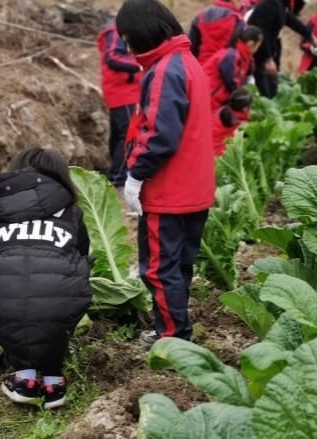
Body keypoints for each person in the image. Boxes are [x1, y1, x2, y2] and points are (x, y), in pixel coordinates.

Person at [116, 0, 216, 349]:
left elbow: (159, 133)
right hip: (195, 188)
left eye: (128, 38)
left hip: (170, 192)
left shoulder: (163, 71)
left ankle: (172, 336)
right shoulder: (189, 63)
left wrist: (135, 174)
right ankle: (175, 325)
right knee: (180, 265)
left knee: (159, 268)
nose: (127, 47)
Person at [0, 147, 93, 409]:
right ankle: (53, 381)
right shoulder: (70, 211)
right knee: (60, 292)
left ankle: (25, 378)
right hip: (59, 300)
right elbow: (83, 252)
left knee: (9, 296)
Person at [97, 20, 143, 188]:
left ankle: (116, 174)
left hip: (119, 90)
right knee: (129, 134)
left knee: (118, 134)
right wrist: (140, 65)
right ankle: (119, 177)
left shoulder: (116, 29)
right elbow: (112, 57)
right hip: (123, 91)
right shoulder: (118, 31)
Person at [248, 0, 311, 98]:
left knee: (273, 89)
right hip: (258, 56)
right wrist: (267, 59)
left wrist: (310, 35)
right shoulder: (270, 4)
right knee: (264, 94)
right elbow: (261, 33)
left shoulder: (281, 4)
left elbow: (289, 19)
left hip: (269, 52)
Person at [203, 25, 262, 110]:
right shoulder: (231, 56)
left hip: (216, 100)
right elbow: (232, 84)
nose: (258, 49)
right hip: (208, 99)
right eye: (258, 46)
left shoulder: (244, 57)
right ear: (251, 44)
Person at [189, 0, 244, 65]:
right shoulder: (238, 20)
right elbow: (238, 50)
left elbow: (192, 46)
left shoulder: (201, 15)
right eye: (239, 0)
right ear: (233, 1)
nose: (242, 4)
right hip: (225, 68)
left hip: (201, 66)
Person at [212, 88, 252, 156]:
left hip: (206, 142)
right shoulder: (240, 123)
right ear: (245, 109)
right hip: (217, 153)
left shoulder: (223, 108)